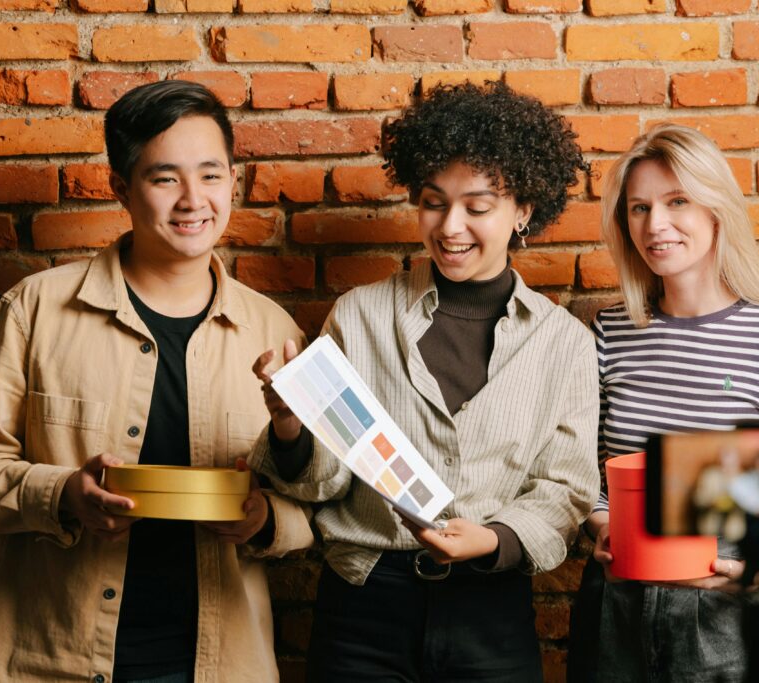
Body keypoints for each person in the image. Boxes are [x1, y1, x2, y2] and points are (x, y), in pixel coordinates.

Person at [0, 80, 314, 683]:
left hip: (220, 666)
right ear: (121, 187)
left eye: (211, 175)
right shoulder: (35, 310)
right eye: (165, 178)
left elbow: (318, 499)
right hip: (50, 662)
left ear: (234, 181)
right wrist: (63, 495)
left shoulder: (276, 331)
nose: (193, 200)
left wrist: (264, 521)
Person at [249, 81, 600, 682]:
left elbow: (565, 489)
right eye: (434, 202)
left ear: (523, 212)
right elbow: (325, 482)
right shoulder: (359, 315)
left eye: (478, 206)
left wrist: (492, 540)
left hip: (490, 612)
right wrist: (289, 423)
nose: (450, 226)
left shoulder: (563, 342)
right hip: (364, 610)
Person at [568, 124, 759, 683]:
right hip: (618, 608)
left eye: (677, 201)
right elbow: (577, 469)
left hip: (729, 616)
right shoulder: (609, 331)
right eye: (638, 208)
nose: (654, 225)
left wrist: (758, 569)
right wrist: (600, 524)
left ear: (716, 209)